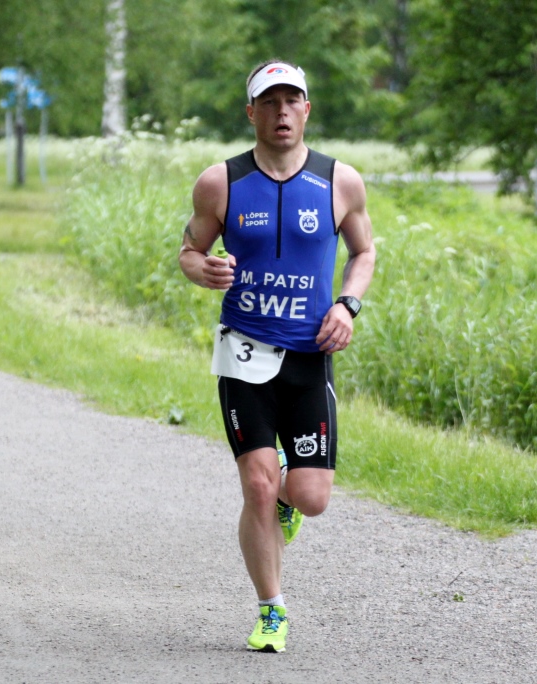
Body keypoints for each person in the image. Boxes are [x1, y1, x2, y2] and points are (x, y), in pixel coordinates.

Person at [179, 60, 376, 653]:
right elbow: (190, 250)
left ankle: (288, 499)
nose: (281, 112)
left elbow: (363, 253)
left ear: (307, 110)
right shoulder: (222, 182)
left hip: (309, 357)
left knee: (311, 498)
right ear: (252, 113)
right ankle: (271, 610)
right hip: (244, 353)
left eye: (292, 101)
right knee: (259, 486)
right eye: (269, 102)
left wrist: (347, 306)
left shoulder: (340, 181)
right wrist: (204, 270)